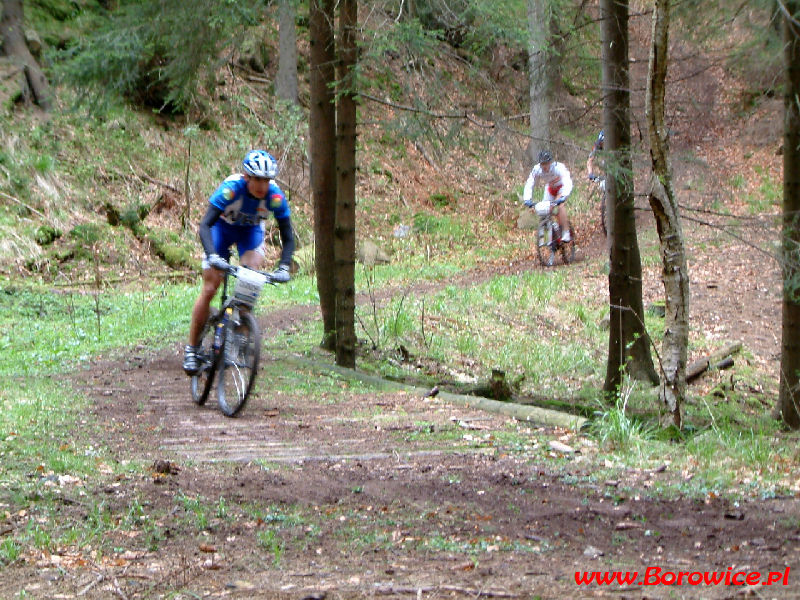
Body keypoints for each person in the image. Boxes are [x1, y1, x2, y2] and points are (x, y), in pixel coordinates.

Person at [182, 149, 295, 375]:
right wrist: (212, 255)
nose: (262, 185)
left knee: (251, 277)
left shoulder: (275, 197)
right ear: (247, 178)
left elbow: (288, 235)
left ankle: (239, 336)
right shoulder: (232, 189)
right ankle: (192, 348)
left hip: (250, 233)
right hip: (220, 231)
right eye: (257, 179)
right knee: (210, 286)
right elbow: (205, 225)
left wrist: (284, 265)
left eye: (266, 180)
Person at [522, 149, 573, 242]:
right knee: (545, 211)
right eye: (542, 164)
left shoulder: (559, 168)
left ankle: (566, 232)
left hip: (561, 188)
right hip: (550, 189)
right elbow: (530, 183)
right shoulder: (537, 169)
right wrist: (527, 199)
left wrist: (564, 195)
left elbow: (567, 181)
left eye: (546, 163)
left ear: (550, 162)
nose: (544, 166)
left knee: (560, 206)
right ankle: (549, 237)